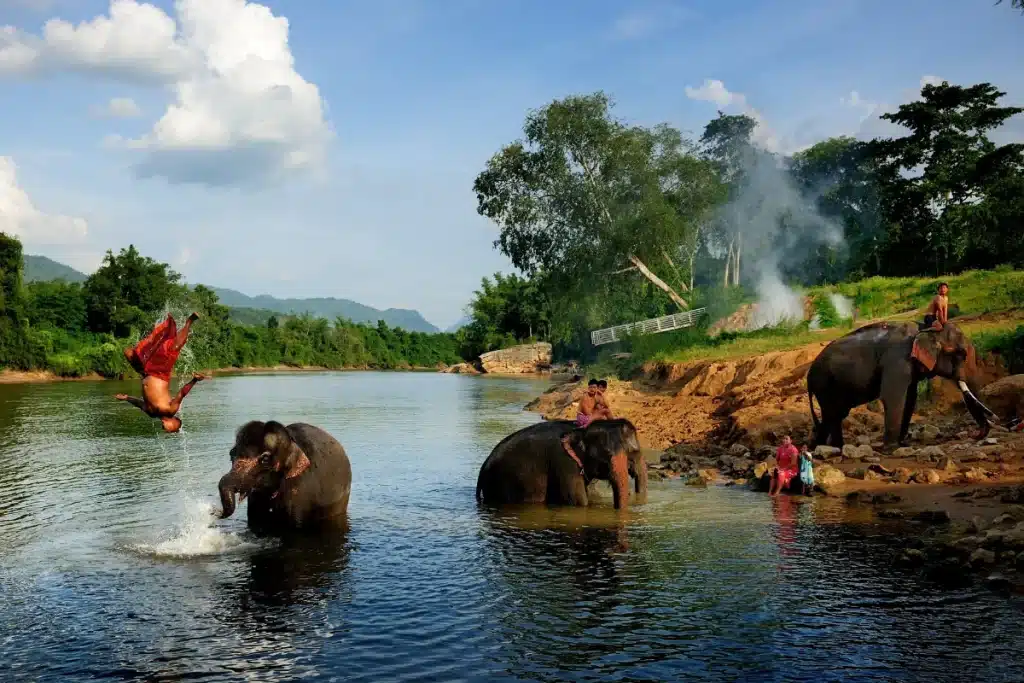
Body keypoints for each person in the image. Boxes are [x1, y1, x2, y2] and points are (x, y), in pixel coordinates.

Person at [115, 312, 206, 433]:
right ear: (174, 423)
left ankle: (145, 335)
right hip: (160, 373)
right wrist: (194, 380)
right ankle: (189, 322)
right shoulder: (171, 410)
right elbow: (181, 394)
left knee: (129, 353)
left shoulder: (152, 414)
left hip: (146, 373)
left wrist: (126, 398)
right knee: (173, 348)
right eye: (170, 430)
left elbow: (139, 404)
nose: (165, 430)